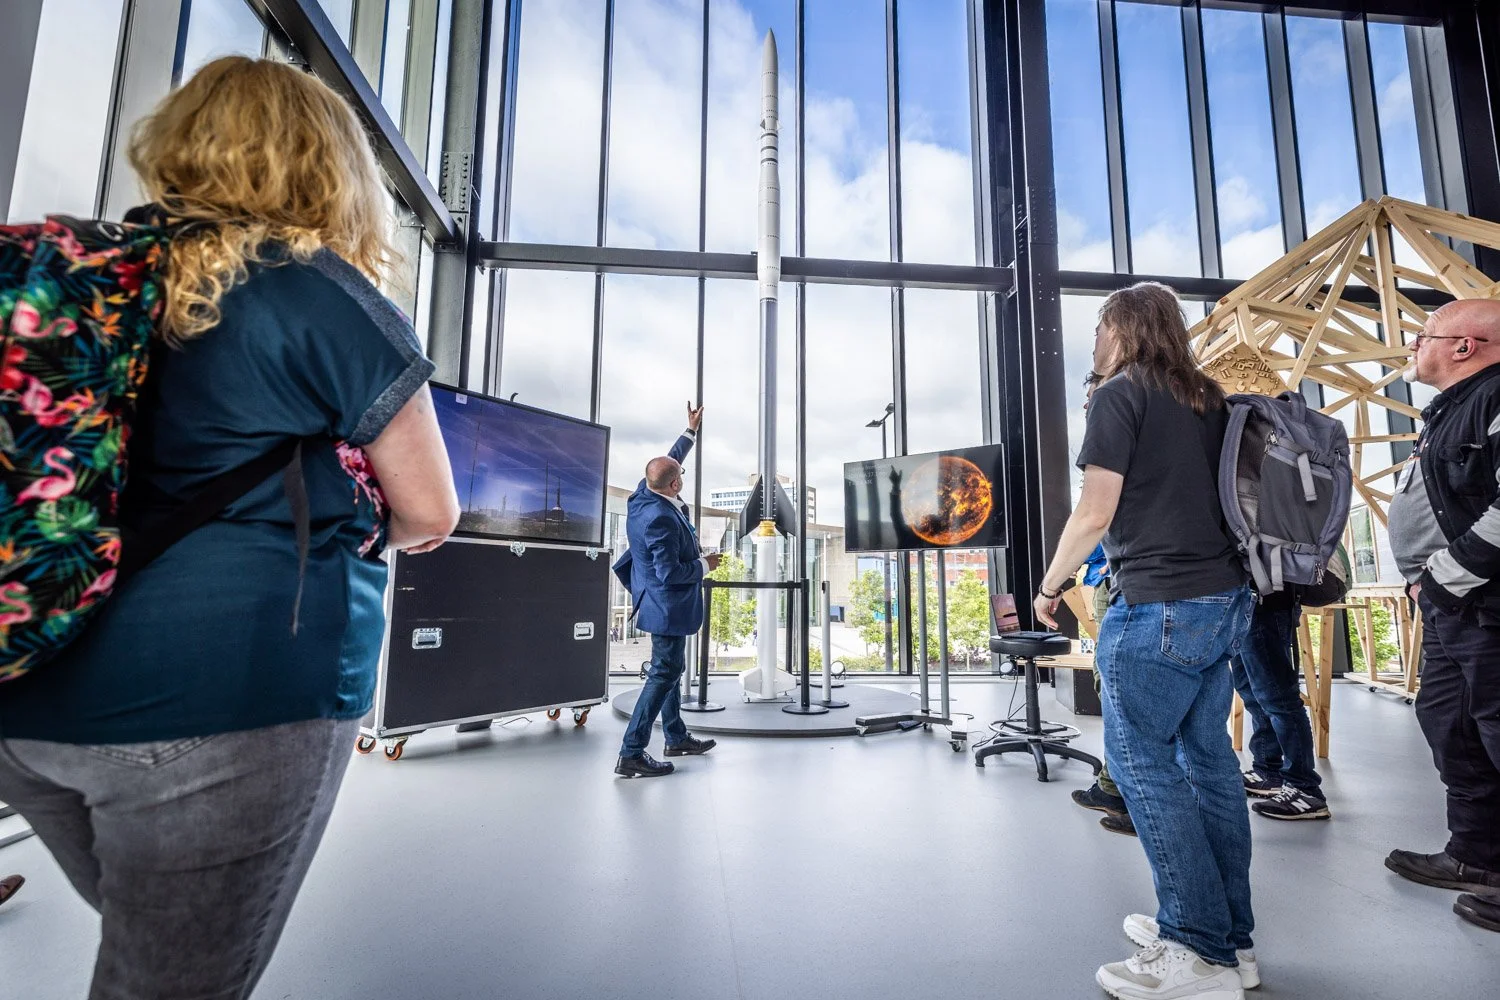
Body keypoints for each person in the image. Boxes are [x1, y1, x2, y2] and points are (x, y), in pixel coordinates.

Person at [0, 57, 460, 998]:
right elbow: (431, 511)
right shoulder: (313, 290)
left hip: (27, 698)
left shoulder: (78, 274)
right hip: (223, 705)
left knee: (153, 939)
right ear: (323, 166)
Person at [1034, 282, 1256, 999]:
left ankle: (1197, 948)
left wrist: (1048, 587)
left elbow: (1096, 510)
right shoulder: (1208, 398)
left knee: (1140, 769)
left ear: (1122, 329)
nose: (1094, 340)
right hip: (1223, 601)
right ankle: (1232, 940)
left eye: (1100, 326)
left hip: (1157, 603)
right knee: (1210, 765)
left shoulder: (1119, 395)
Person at [1384, 299, 1500, 934]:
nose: (1412, 344)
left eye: (1423, 335)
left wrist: (1445, 576)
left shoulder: (1494, 397)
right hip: (1453, 603)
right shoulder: (1453, 411)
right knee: (1450, 723)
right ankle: (1477, 858)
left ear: (1464, 346)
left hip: (1483, 603)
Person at [613, 404, 720, 778]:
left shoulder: (643, 494)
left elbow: (667, 462)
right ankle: (632, 752)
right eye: (680, 478)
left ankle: (675, 736)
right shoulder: (659, 517)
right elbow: (670, 572)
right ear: (675, 485)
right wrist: (705, 565)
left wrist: (689, 432)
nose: (680, 478)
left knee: (672, 669)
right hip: (667, 603)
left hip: (657, 601)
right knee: (664, 673)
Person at [1231, 591, 1330, 820]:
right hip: (1242, 604)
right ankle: (1269, 771)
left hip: (1266, 602)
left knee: (1278, 698)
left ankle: (1304, 788)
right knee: (1253, 694)